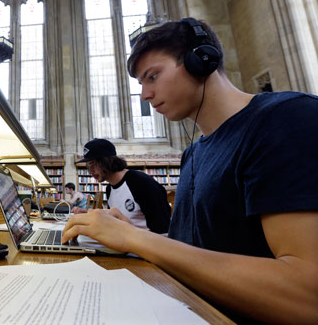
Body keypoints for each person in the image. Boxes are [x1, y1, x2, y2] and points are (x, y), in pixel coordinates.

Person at [61, 18, 318, 323]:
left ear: (202, 61)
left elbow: (308, 294)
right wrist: (129, 233)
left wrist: (138, 241)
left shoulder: (285, 119)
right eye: (141, 83)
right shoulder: (193, 154)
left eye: (152, 76)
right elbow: (196, 249)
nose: (144, 94)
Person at [72, 138, 170, 234]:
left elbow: (163, 229)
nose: (90, 171)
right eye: (88, 167)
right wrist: (88, 214)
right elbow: (116, 220)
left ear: (106, 161)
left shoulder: (139, 182)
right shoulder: (109, 188)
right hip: (123, 242)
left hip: (145, 247)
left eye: (92, 164)